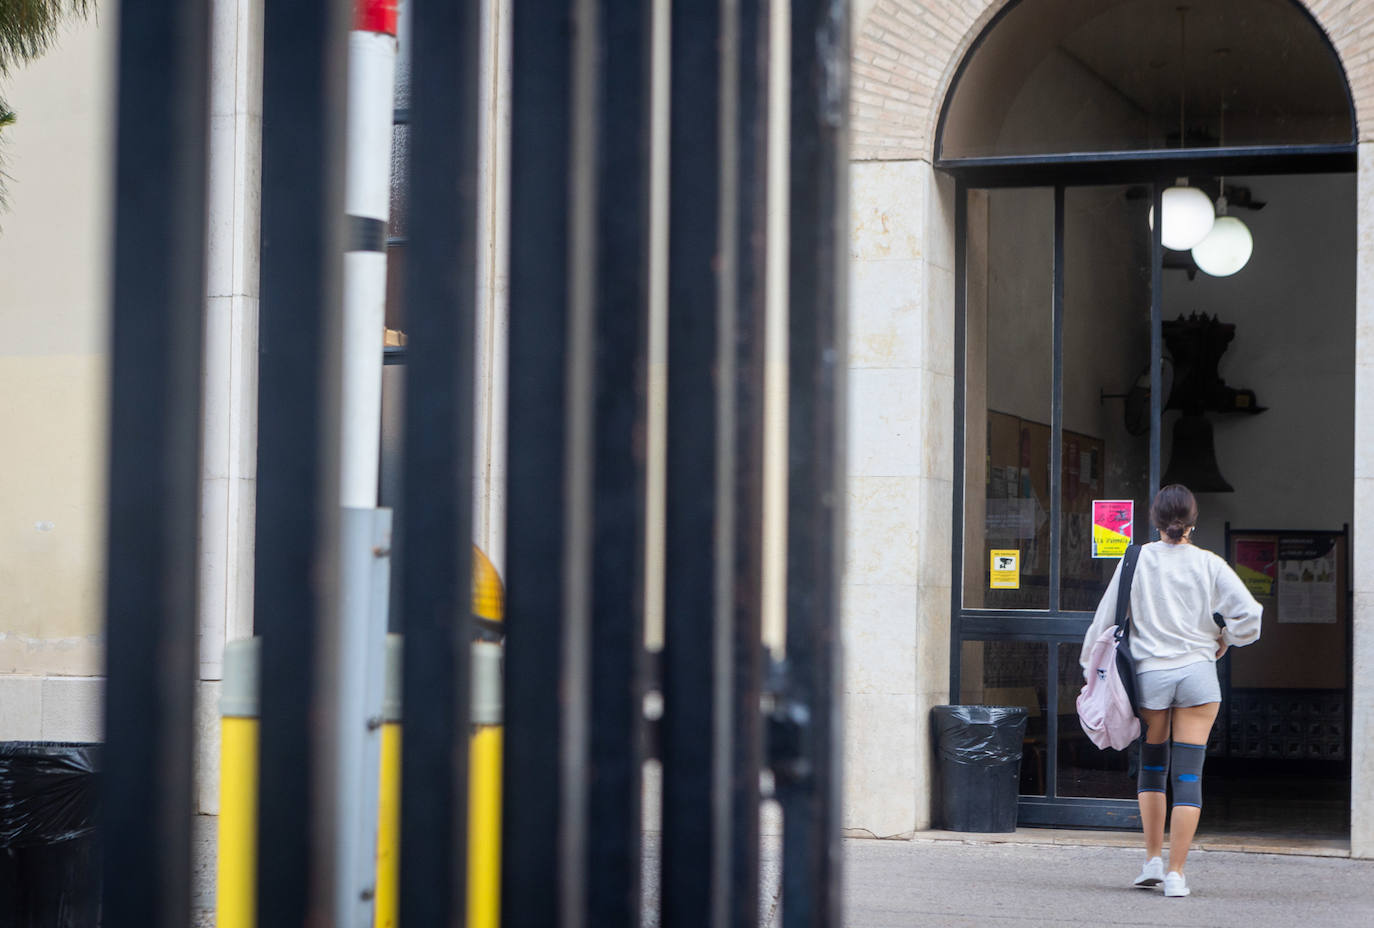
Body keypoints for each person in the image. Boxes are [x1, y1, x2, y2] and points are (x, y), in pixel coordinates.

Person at [1079, 484, 1262, 898]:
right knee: (1188, 775)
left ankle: (1152, 863)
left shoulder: (1134, 559)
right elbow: (1250, 618)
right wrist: (1226, 638)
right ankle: (1177, 875)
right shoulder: (1209, 564)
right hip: (1198, 674)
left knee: (1153, 769)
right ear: (1193, 521)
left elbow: (1104, 621)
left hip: (1150, 678)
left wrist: (1088, 670)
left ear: (1154, 519)